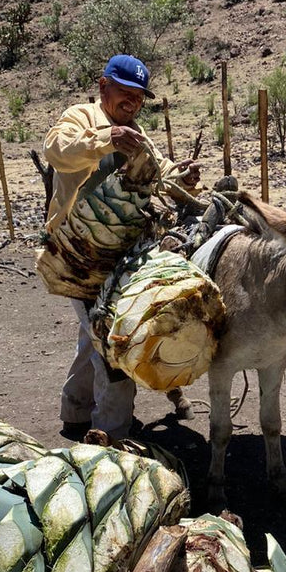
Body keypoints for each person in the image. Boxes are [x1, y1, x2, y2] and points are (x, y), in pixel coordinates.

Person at [42, 54, 200, 441]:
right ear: (103, 87)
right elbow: (56, 151)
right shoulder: (80, 118)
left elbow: (161, 176)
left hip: (120, 254)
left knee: (91, 336)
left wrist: (185, 178)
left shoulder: (138, 134)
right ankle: (110, 440)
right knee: (112, 345)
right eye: (124, 95)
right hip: (77, 254)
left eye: (138, 98)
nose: (131, 104)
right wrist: (104, 139)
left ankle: (75, 414)